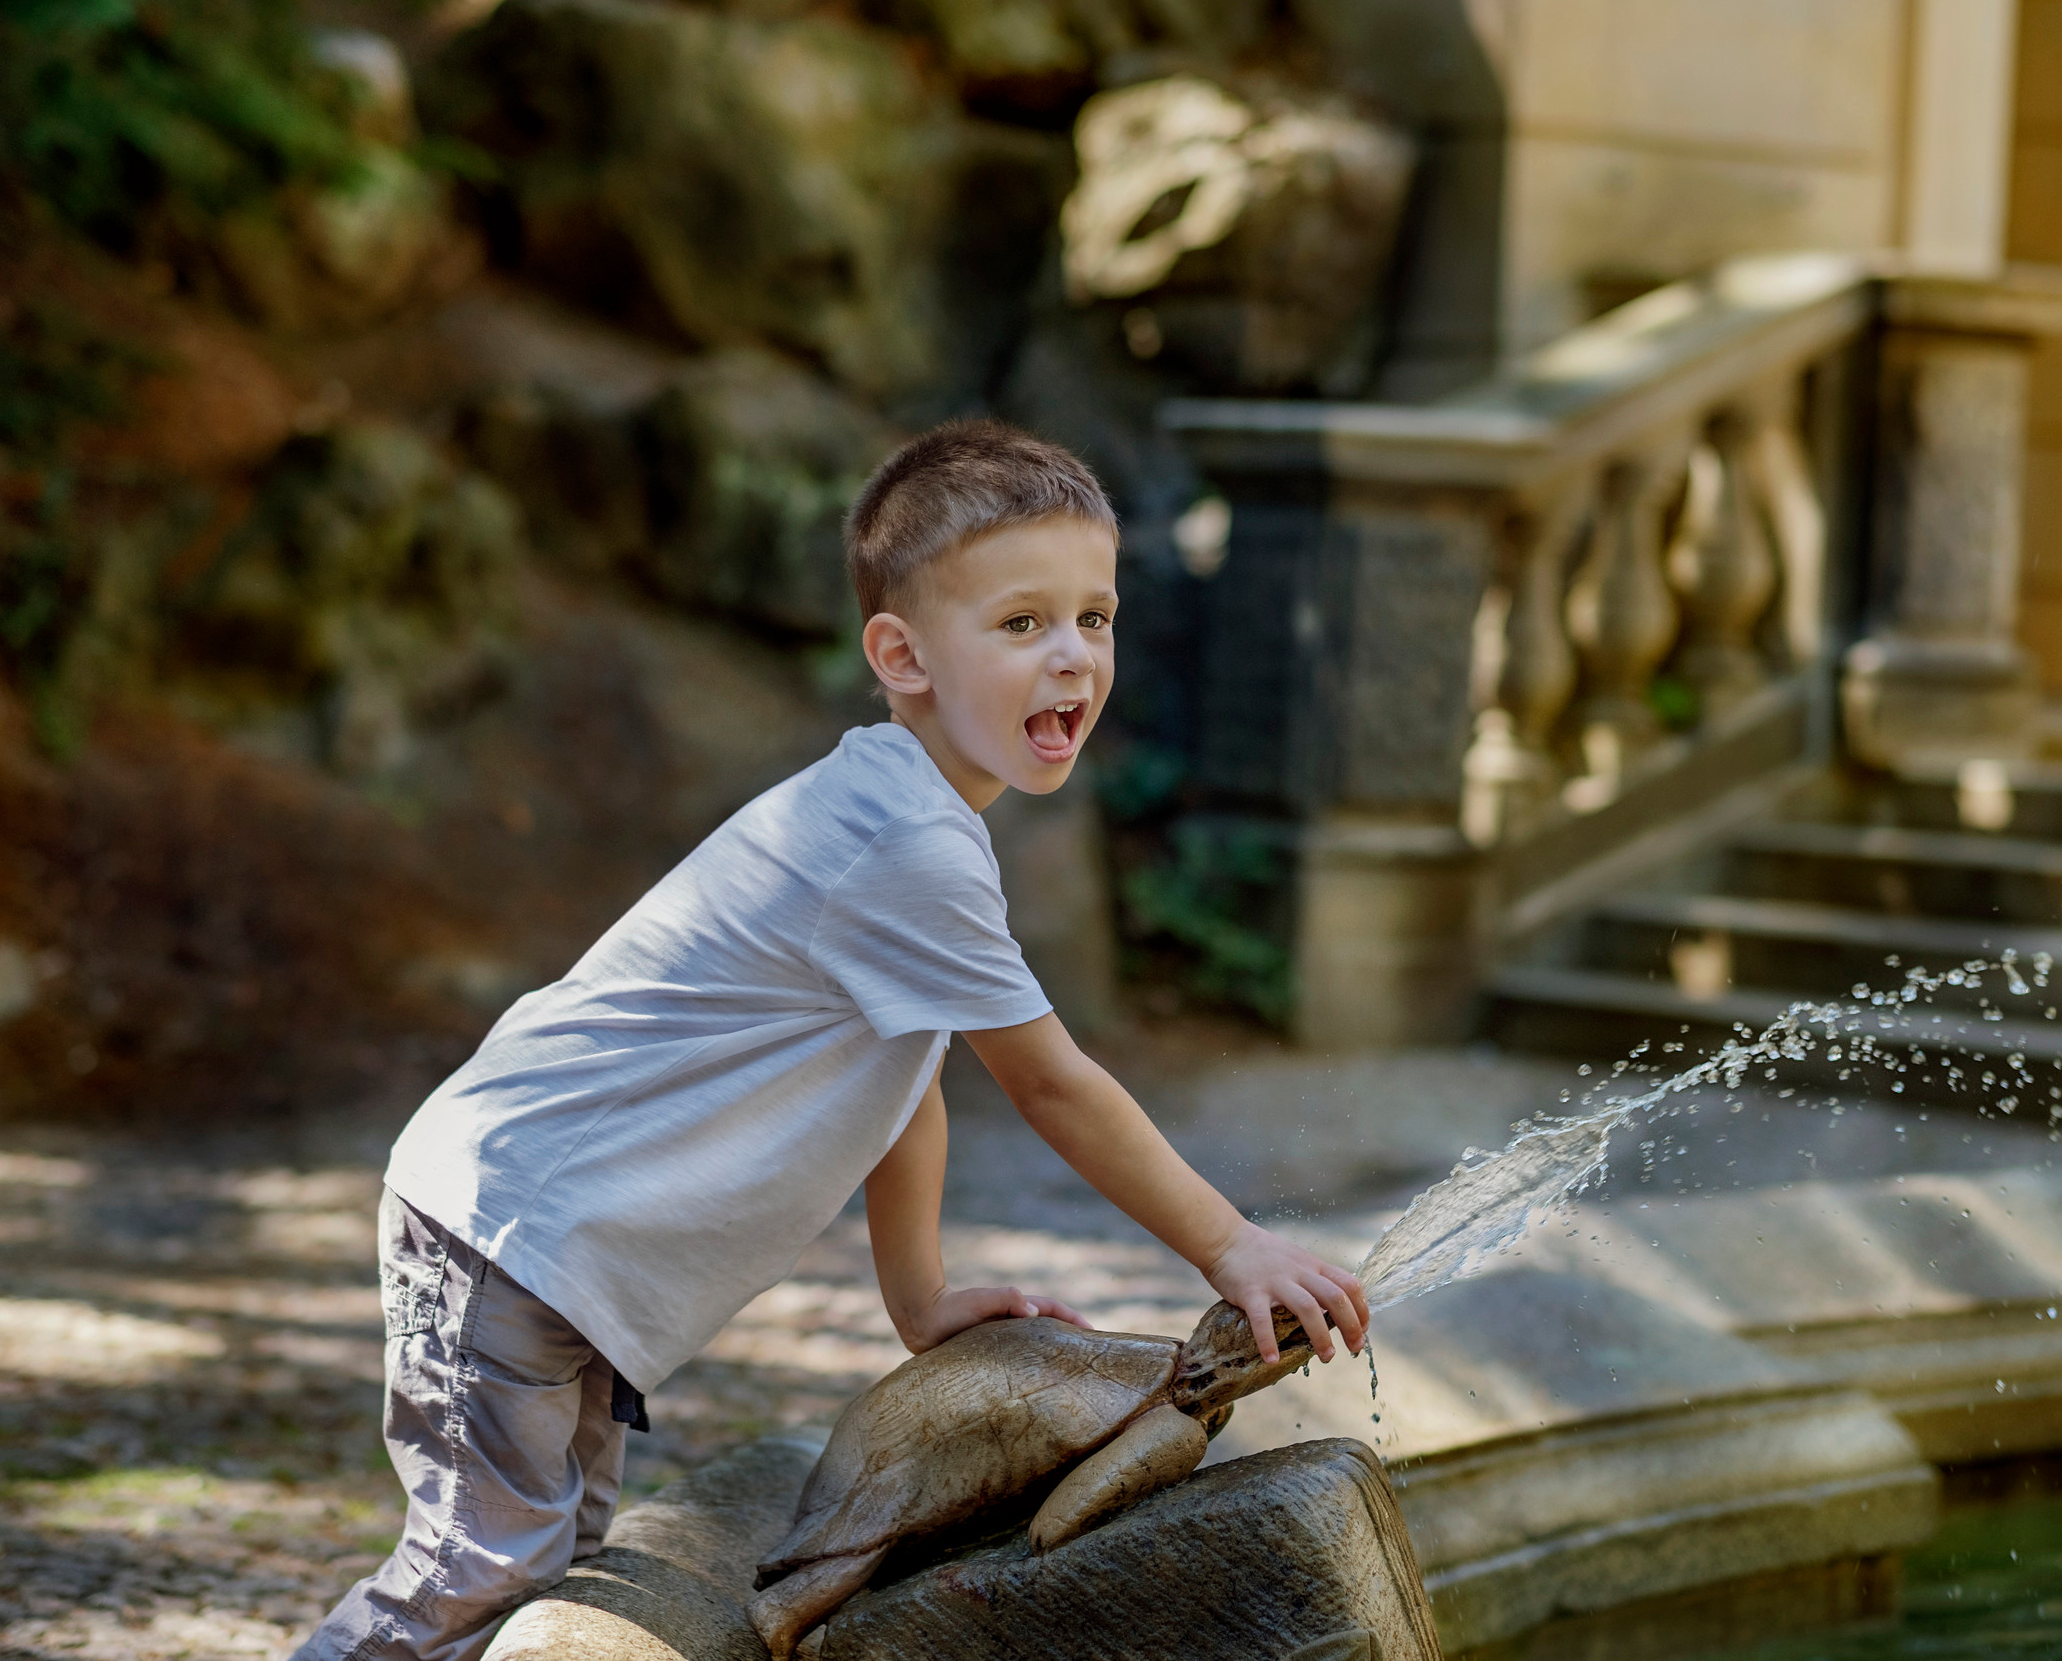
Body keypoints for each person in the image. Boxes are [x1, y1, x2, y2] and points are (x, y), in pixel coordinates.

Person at [290, 420, 1370, 1661]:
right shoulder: (901, 842)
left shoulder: (904, 811)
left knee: (552, 1573)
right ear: (901, 654)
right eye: (1022, 625)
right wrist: (1230, 1244)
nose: (1073, 657)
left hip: (548, 1237)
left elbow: (897, 1075)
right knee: (475, 1578)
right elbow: (1054, 1086)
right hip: (512, 1223)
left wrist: (918, 1297)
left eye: (1096, 618)